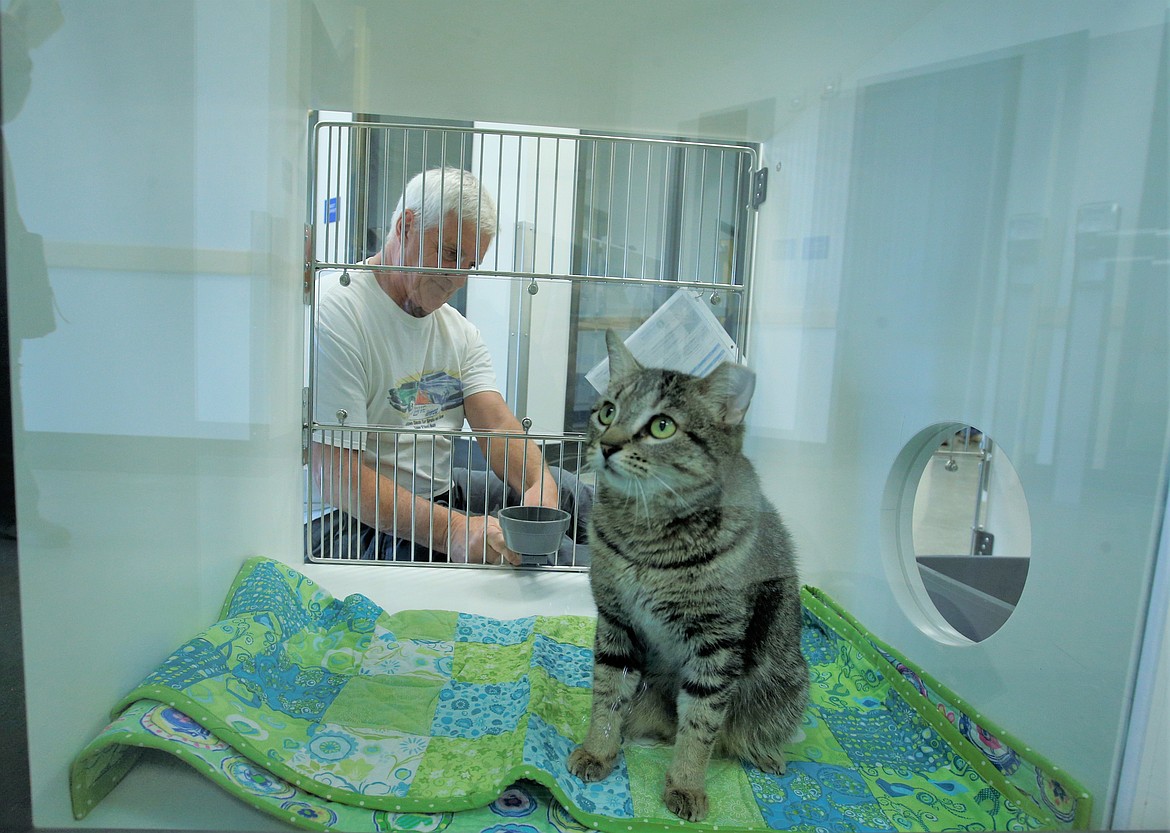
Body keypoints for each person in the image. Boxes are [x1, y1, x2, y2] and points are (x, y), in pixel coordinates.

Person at [308, 167, 590, 566]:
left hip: (436, 493)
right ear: (407, 225)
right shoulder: (336, 312)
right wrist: (454, 530)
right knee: (541, 557)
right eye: (451, 254)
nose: (458, 279)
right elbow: (335, 476)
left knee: (566, 489)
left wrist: (537, 484)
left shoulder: (458, 333)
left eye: (470, 265)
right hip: (349, 522)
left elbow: (497, 425)